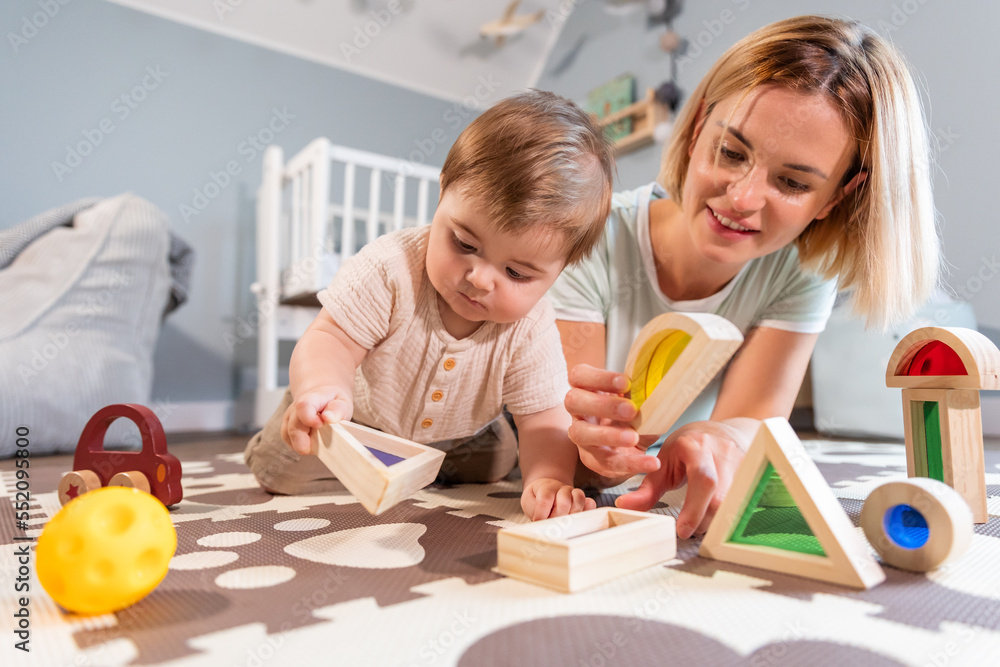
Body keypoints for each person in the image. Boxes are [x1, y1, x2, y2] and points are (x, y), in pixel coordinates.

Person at [551, 15, 940, 538]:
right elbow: (567, 437)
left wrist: (724, 439)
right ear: (695, 132)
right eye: (731, 152)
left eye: (793, 182)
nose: (742, 198)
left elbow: (752, 419)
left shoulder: (802, 272)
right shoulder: (593, 235)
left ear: (838, 196)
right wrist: (587, 442)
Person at [245, 90, 616, 520]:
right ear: (443, 192)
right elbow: (331, 339)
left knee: (504, 460)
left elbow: (542, 418)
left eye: (516, 273)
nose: (479, 278)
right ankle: (309, 410)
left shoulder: (531, 325)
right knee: (281, 469)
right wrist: (322, 387)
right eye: (464, 243)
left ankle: (426, 466)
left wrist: (547, 479)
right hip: (352, 419)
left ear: (560, 269)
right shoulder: (390, 267)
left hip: (460, 435)